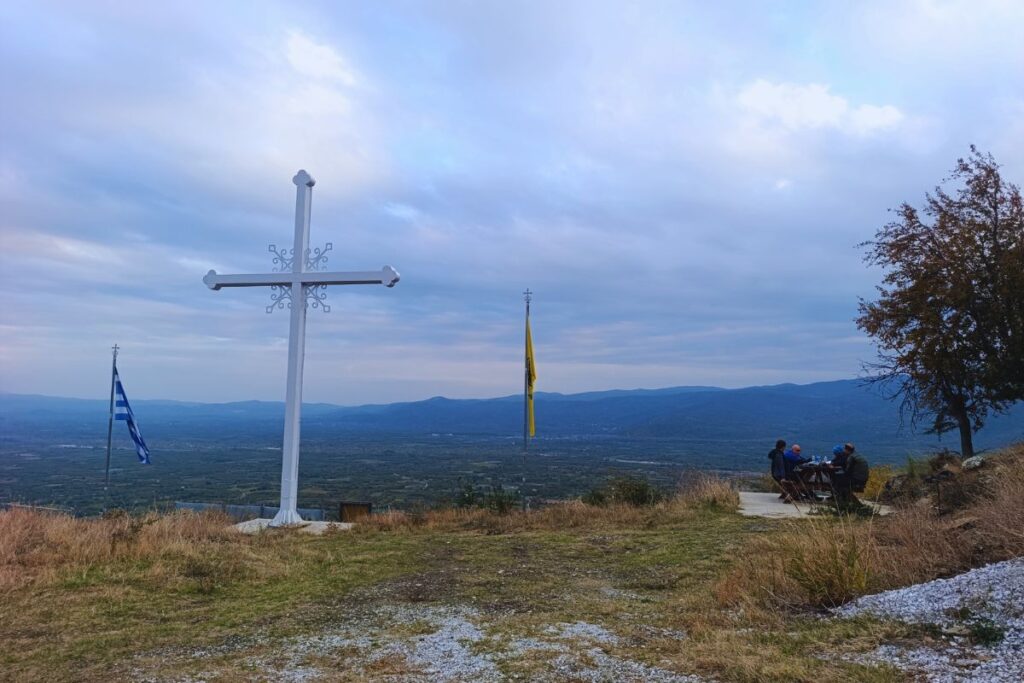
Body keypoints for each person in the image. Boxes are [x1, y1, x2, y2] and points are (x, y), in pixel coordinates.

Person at [831, 443, 870, 509]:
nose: (843, 451)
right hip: (863, 479)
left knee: (837, 482)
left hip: (857, 480)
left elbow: (847, 471)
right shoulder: (857, 455)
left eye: (844, 449)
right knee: (840, 479)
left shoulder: (851, 457)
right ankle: (844, 500)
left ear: (847, 450)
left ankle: (840, 503)